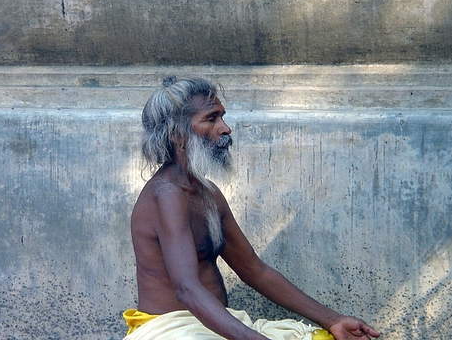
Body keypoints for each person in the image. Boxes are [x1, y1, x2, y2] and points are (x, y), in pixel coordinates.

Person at [123, 76, 381, 340]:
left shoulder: (208, 193)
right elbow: (187, 289)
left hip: (213, 325)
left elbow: (255, 270)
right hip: (169, 330)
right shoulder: (166, 195)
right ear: (177, 134)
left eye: (222, 117)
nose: (225, 129)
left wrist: (333, 319)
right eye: (211, 119)